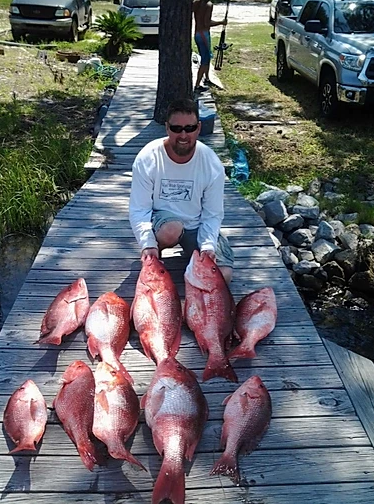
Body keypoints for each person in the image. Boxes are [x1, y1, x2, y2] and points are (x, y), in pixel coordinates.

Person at [129, 98, 234, 284]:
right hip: (164, 223)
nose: (183, 135)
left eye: (190, 128)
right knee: (171, 229)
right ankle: (154, 253)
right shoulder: (147, 158)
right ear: (167, 127)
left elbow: (213, 214)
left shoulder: (212, 163)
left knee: (222, 276)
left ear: (199, 128)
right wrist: (147, 244)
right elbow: (139, 209)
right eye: (177, 129)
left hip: (197, 225)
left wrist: (207, 246)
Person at [193, 0, 227, 92]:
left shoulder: (196, 3)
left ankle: (207, 79)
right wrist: (221, 22)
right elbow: (207, 23)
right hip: (204, 34)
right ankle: (197, 85)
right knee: (205, 60)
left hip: (197, 34)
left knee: (207, 57)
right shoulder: (209, 4)